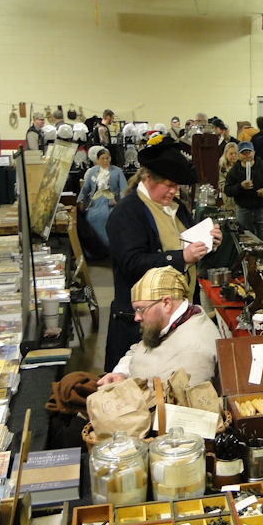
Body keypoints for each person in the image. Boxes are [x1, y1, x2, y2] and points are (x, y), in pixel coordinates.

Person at [104, 141, 221, 371]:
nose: (173, 191)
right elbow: (132, 263)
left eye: (176, 186)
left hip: (176, 316)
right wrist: (181, 257)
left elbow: (188, 243)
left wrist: (208, 243)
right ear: (148, 179)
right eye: (168, 185)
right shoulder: (126, 213)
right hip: (141, 321)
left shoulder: (176, 207)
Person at [97, 267, 220, 388]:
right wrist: (121, 372)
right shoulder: (172, 322)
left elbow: (182, 399)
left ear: (166, 303)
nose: (137, 317)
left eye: (140, 309)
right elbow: (139, 348)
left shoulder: (194, 351)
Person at [223, 141, 263, 243]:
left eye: (249, 152)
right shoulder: (234, 171)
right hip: (243, 210)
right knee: (246, 241)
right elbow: (227, 190)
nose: (247, 155)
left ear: (254, 153)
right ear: (239, 155)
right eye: (243, 153)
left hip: (262, 209)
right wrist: (240, 186)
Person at [78, 146, 127, 249]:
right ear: (98, 160)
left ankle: (111, 245)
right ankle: (98, 247)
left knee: (111, 216)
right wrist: (81, 201)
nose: (105, 161)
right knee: (92, 216)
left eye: (107, 158)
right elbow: (86, 188)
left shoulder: (117, 171)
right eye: (102, 158)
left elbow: (124, 189)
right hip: (95, 201)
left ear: (110, 159)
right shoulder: (92, 171)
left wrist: (120, 201)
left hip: (112, 200)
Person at [217, 142, 238, 211]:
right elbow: (222, 184)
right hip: (229, 200)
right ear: (226, 154)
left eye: (235, 153)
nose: (234, 155)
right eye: (231, 154)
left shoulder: (242, 166)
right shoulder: (222, 168)